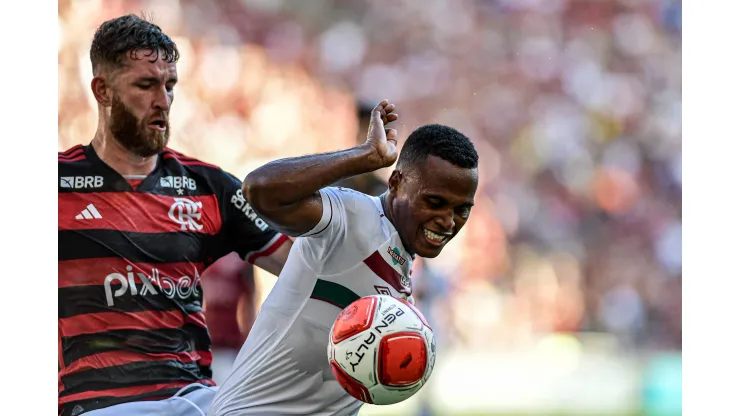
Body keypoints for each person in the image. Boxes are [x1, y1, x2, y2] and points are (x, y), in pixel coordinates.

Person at [58, 14, 292, 416]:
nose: (163, 101)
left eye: (170, 86)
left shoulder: (210, 187)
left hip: (195, 398)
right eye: (146, 85)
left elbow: (300, 266)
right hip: (99, 404)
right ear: (103, 91)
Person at [209, 100, 479, 416]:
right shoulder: (353, 217)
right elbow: (259, 189)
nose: (448, 221)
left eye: (461, 210)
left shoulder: (399, 258)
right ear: (396, 183)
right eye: (435, 202)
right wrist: (364, 157)